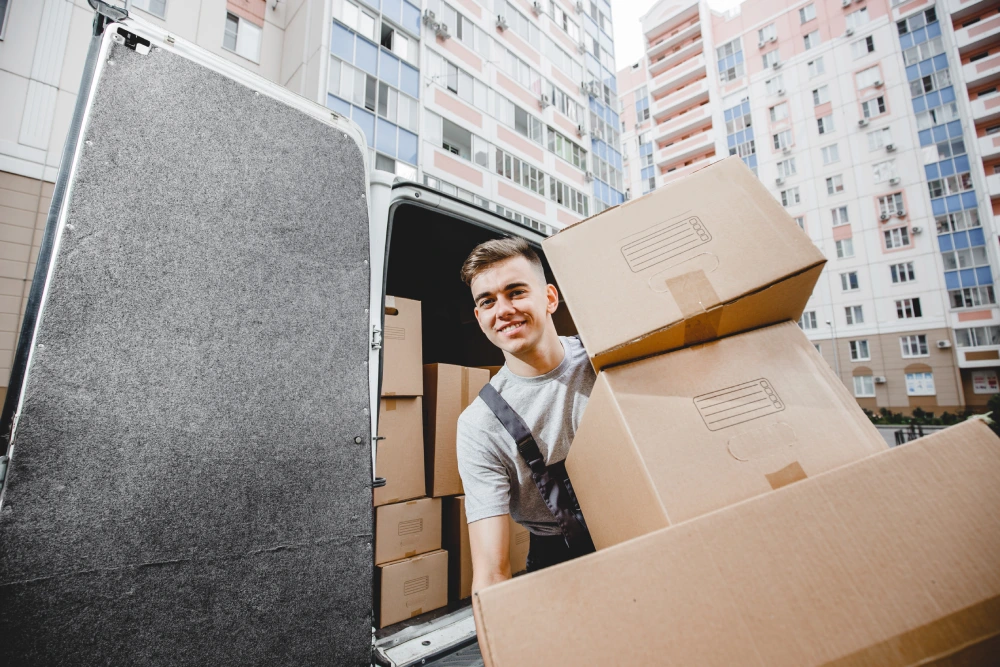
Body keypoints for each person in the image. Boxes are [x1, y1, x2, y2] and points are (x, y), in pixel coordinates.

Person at [455, 237, 596, 640]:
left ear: (550, 298)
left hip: (645, 533)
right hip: (558, 562)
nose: (504, 310)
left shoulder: (606, 357)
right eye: (487, 301)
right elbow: (492, 570)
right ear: (479, 316)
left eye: (516, 292)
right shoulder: (480, 425)